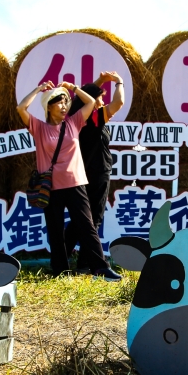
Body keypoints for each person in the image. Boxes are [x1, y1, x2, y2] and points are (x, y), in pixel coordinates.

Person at [16, 80, 122, 281]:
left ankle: (101, 268)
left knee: (87, 226)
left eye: (66, 102)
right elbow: (21, 108)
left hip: (75, 184)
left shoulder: (74, 123)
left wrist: (73, 88)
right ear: (49, 107)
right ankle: (61, 272)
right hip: (51, 187)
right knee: (56, 231)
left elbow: (90, 102)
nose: (64, 106)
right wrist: (38, 90)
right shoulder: (39, 128)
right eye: (59, 102)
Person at [63, 71, 125, 271]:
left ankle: (60, 260)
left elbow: (85, 95)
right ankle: (84, 265)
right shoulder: (95, 117)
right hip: (97, 173)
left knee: (79, 220)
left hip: (81, 174)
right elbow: (119, 102)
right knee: (93, 220)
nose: (102, 101)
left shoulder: (77, 117)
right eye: (100, 98)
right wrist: (119, 82)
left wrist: (100, 81)